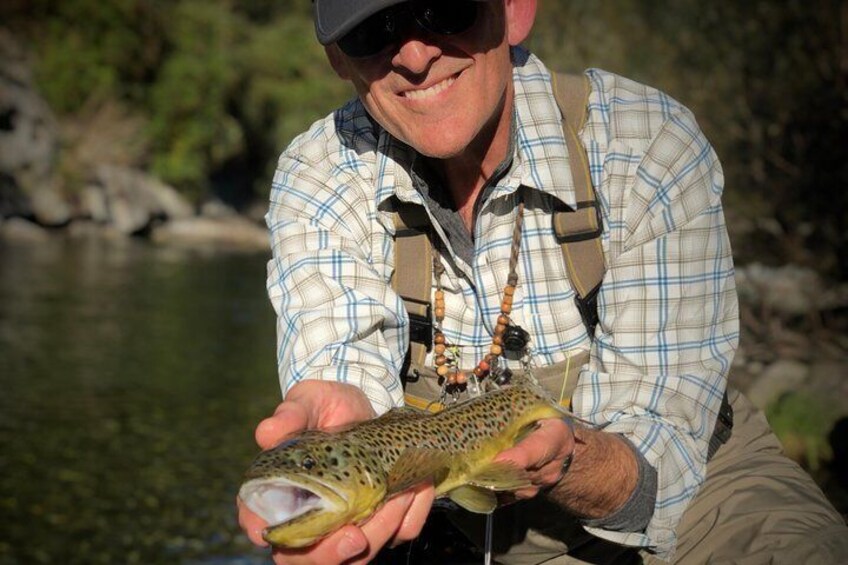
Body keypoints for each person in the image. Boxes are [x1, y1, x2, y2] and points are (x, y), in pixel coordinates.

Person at [238, 1, 848, 563]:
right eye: (373, 31)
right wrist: (332, 420)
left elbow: (663, 457)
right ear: (338, 57)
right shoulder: (319, 173)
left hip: (697, 497)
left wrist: (566, 456)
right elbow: (343, 368)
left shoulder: (646, 145)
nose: (416, 56)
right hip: (456, 519)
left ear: (514, 8)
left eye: (445, 8)